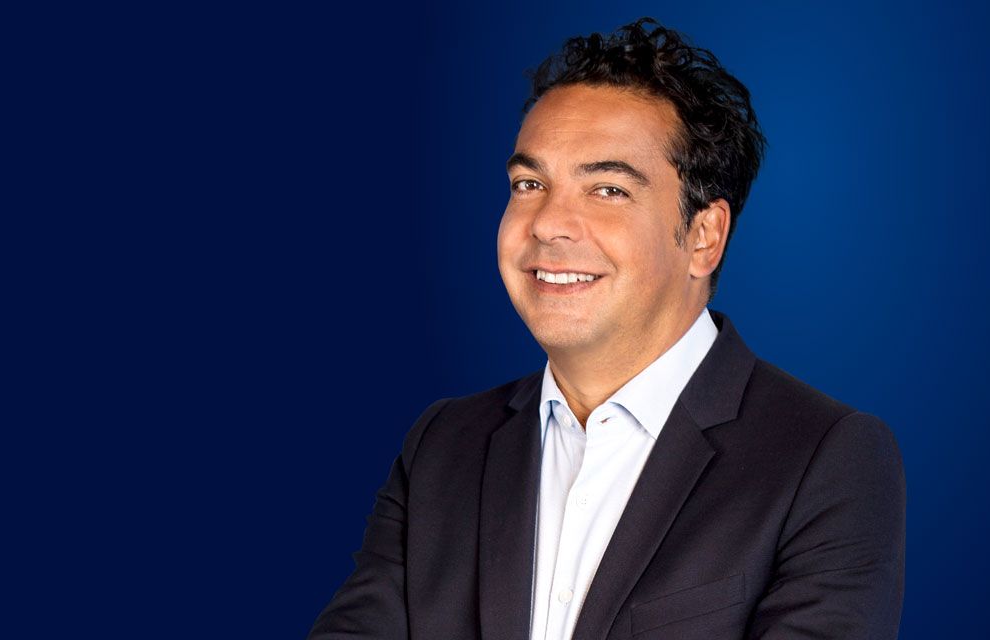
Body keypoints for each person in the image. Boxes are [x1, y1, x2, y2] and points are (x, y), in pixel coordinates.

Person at [309, 17, 905, 640]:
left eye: (608, 190)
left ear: (704, 236)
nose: (548, 224)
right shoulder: (443, 445)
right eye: (530, 184)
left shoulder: (825, 459)